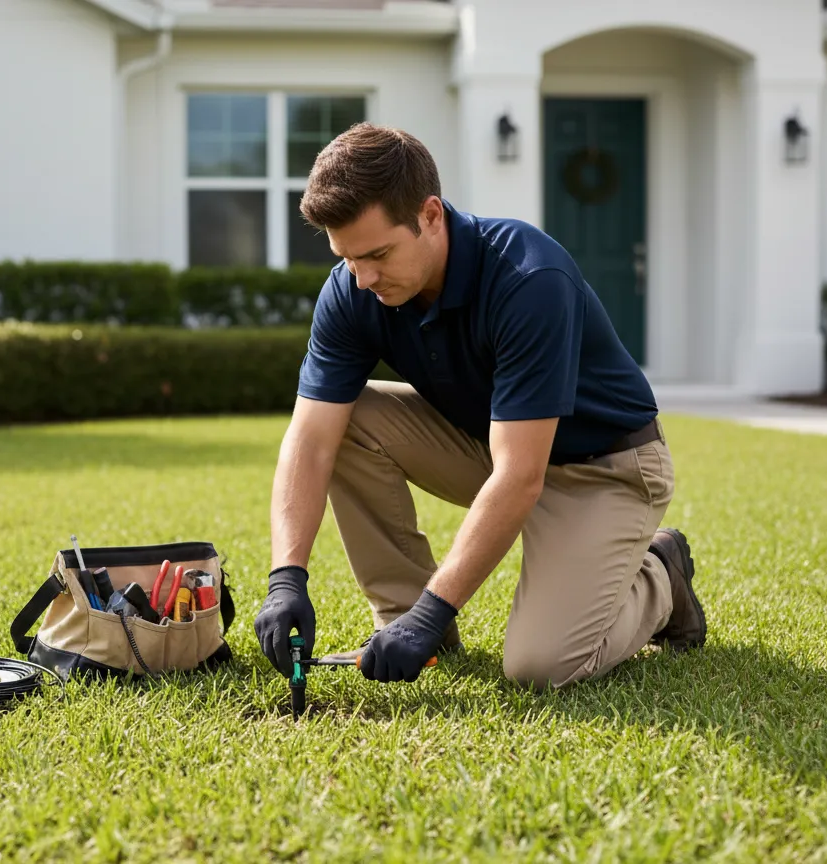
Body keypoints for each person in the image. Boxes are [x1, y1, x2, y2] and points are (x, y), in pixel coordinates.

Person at [253, 123, 706, 688]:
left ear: (431, 215)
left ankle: (661, 576)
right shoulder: (353, 289)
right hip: (494, 448)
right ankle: (406, 624)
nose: (363, 278)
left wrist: (437, 605)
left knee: (540, 667)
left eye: (378, 254)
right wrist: (285, 577)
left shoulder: (528, 278)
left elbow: (520, 477)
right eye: (347, 259)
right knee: (350, 419)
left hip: (604, 471)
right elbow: (311, 440)